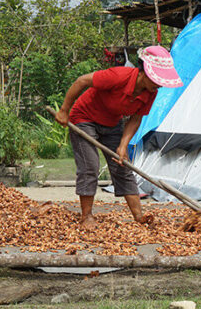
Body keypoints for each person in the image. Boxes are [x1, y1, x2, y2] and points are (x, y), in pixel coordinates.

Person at [55, 45, 183, 229]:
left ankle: (139, 216)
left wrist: (123, 145)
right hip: (84, 118)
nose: (159, 84)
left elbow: (136, 118)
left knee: (123, 165)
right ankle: (86, 216)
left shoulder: (151, 92)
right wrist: (64, 110)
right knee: (89, 165)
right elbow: (82, 81)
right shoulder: (118, 76)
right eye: (156, 79)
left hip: (112, 123)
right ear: (145, 72)